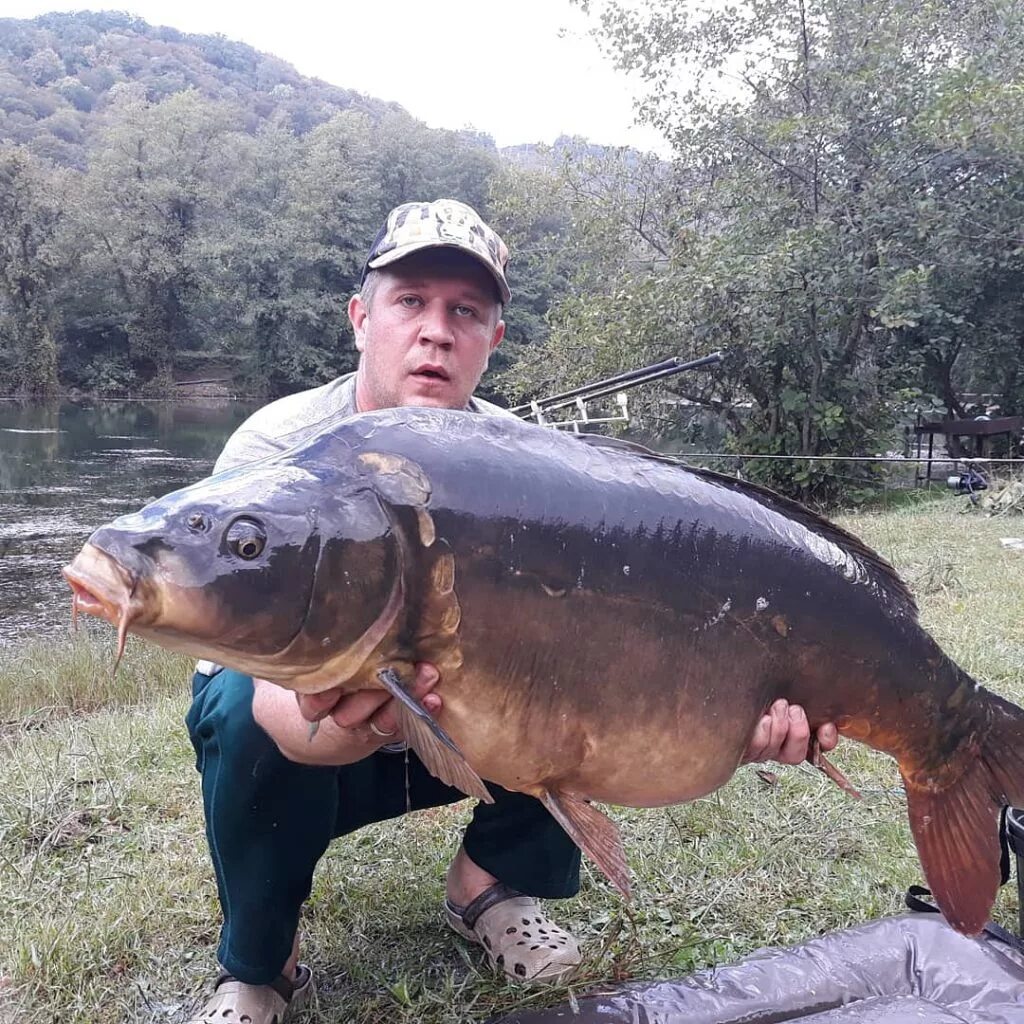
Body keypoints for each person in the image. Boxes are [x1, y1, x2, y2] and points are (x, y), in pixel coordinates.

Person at [185, 198, 838, 1024]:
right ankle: (259, 962)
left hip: (469, 718)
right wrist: (350, 722)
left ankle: (490, 887)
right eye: (411, 301)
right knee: (239, 715)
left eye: (465, 312)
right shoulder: (276, 451)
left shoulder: (527, 463)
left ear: (492, 341)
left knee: (572, 650)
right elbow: (260, 684)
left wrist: (718, 714)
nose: (436, 331)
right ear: (361, 319)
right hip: (316, 719)